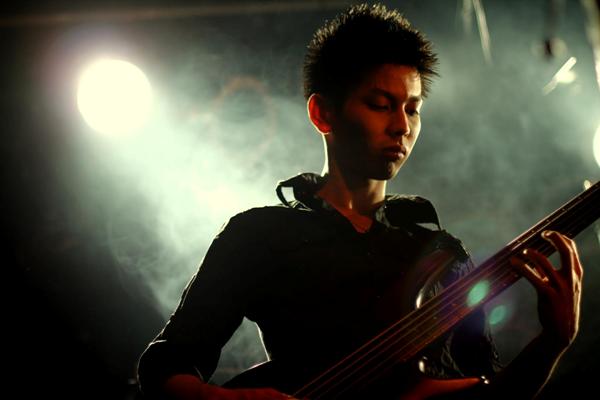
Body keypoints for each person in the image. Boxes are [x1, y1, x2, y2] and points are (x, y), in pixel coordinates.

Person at [137, 4, 583, 399]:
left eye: (412, 108)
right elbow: (164, 366)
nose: (402, 126)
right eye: (381, 104)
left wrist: (553, 343)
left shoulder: (441, 253)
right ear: (322, 113)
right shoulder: (260, 234)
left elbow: (490, 395)